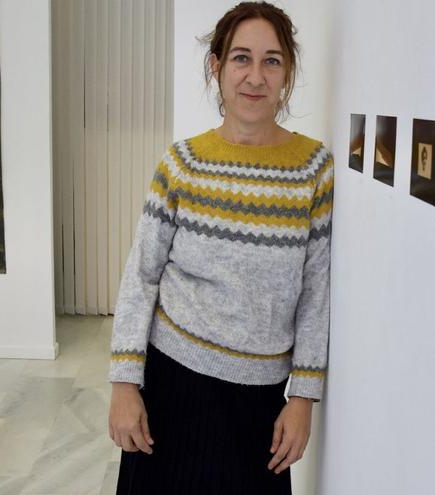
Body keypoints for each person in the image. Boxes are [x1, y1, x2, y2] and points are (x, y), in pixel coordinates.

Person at [107, 2, 333, 493]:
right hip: (172, 387)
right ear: (217, 66)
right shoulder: (182, 163)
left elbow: (316, 289)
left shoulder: (313, 168)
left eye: (272, 60)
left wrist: (304, 398)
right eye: (241, 58)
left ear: (287, 72)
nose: (255, 76)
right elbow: (141, 274)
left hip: (260, 405)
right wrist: (124, 384)